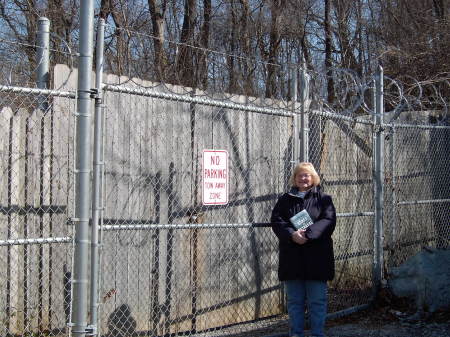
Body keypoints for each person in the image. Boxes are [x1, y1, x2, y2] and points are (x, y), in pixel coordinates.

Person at [271, 162, 336, 337]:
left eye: (307, 175)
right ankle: (296, 333)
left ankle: (317, 334)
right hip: (292, 259)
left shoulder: (324, 199)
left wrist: (307, 234)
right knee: (295, 301)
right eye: (300, 175)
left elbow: (328, 221)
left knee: (317, 301)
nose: (303, 178)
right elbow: (277, 221)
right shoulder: (285, 200)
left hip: (317, 259)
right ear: (295, 178)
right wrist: (292, 235)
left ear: (313, 178)